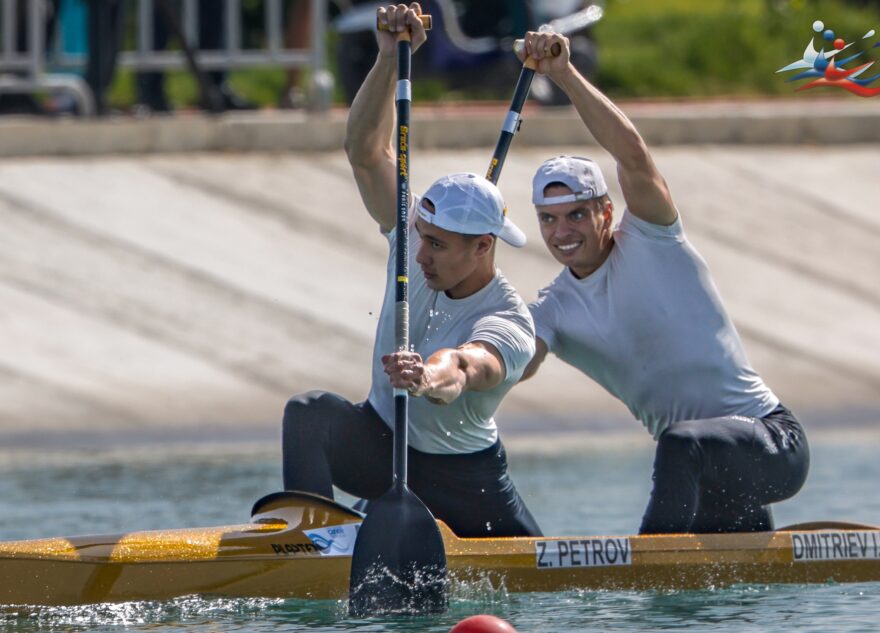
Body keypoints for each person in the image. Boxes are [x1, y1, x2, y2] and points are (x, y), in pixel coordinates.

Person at [517, 30, 810, 534]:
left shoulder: (651, 237)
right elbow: (512, 362)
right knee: (712, 587)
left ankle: (646, 569)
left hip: (772, 442)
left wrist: (563, 75)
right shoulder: (553, 310)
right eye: (549, 219)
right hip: (708, 474)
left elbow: (632, 154)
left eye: (576, 215)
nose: (562, 233)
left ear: (606, 212)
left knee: (680, 443)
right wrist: (448, 373)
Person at [281, 3, 541, 539]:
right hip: (383, 446)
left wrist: (425, 377)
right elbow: (364, 152)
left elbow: (465, 367)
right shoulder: (413, 235)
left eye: (438, 246)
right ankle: (309, 542)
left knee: (536, 573)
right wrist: (387, 59)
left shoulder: (511, 320)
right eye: (422, 238)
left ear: (483, 247)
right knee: (310, 413)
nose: (420, 256)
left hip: (465, 480)